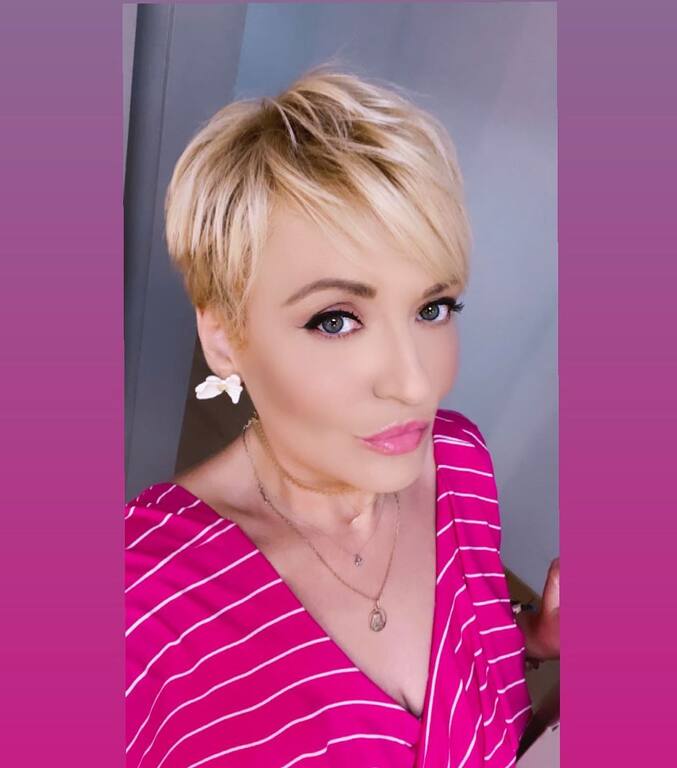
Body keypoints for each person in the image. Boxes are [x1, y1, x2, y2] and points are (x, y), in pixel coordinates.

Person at [125, 67, 560, 768]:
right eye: (336, 319)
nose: (415, 383)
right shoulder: (141, 601)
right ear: (224, 337)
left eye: (433, 307)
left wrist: (532, 639)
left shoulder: (461, 463)